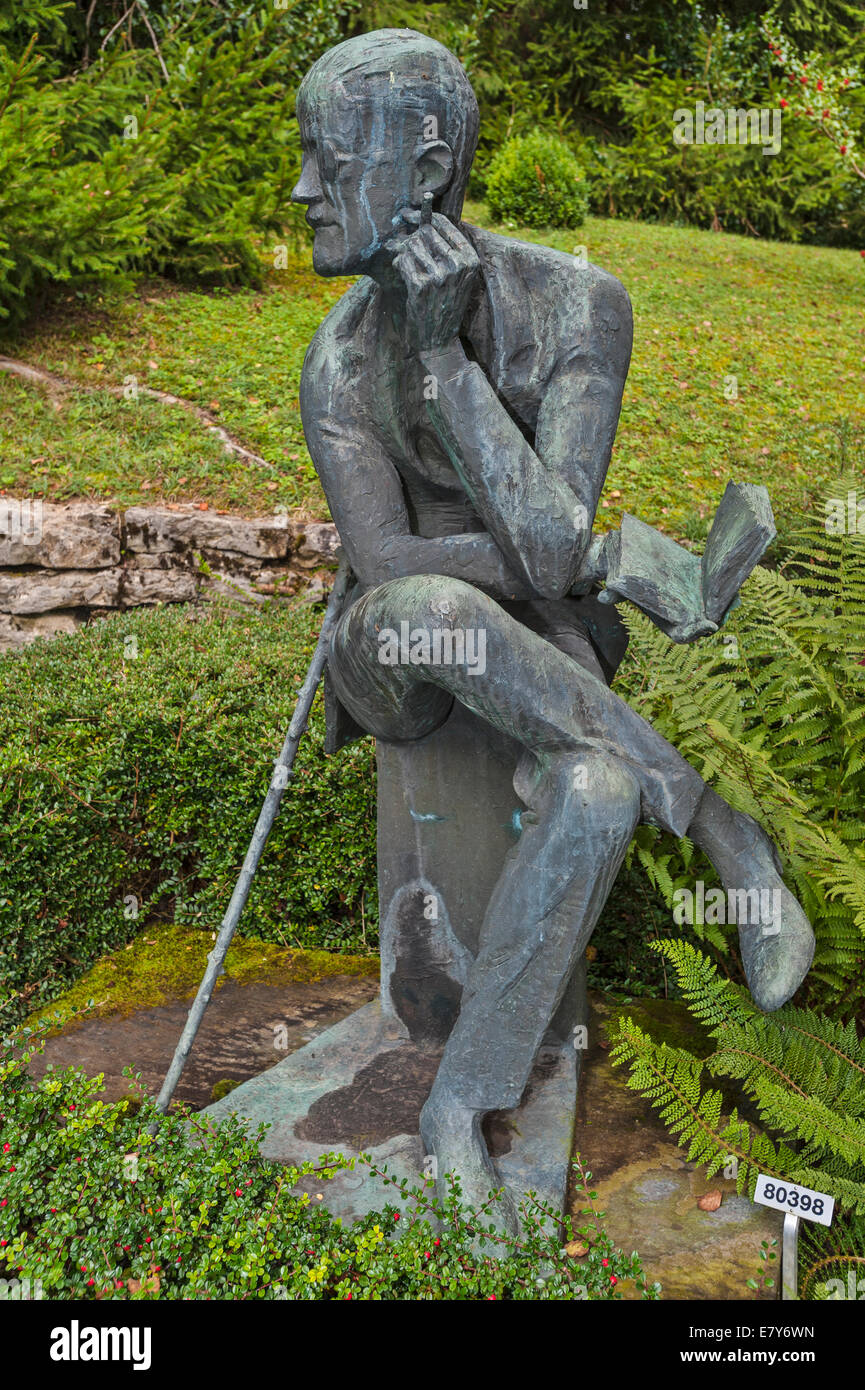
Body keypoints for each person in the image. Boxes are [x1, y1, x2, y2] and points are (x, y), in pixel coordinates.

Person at [291, 28, 815, 1230]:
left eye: (326, 156)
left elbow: (538, 554)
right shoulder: (334, 363)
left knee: (592, 793)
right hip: (394, 658)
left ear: (424, 172)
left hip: (542, 655)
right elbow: (396, 566)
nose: (303, 188)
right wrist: (603, 553)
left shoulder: (580, 307)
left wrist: (447, 366)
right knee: (431, 604)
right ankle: (728, 832)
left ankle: (460, 1102)